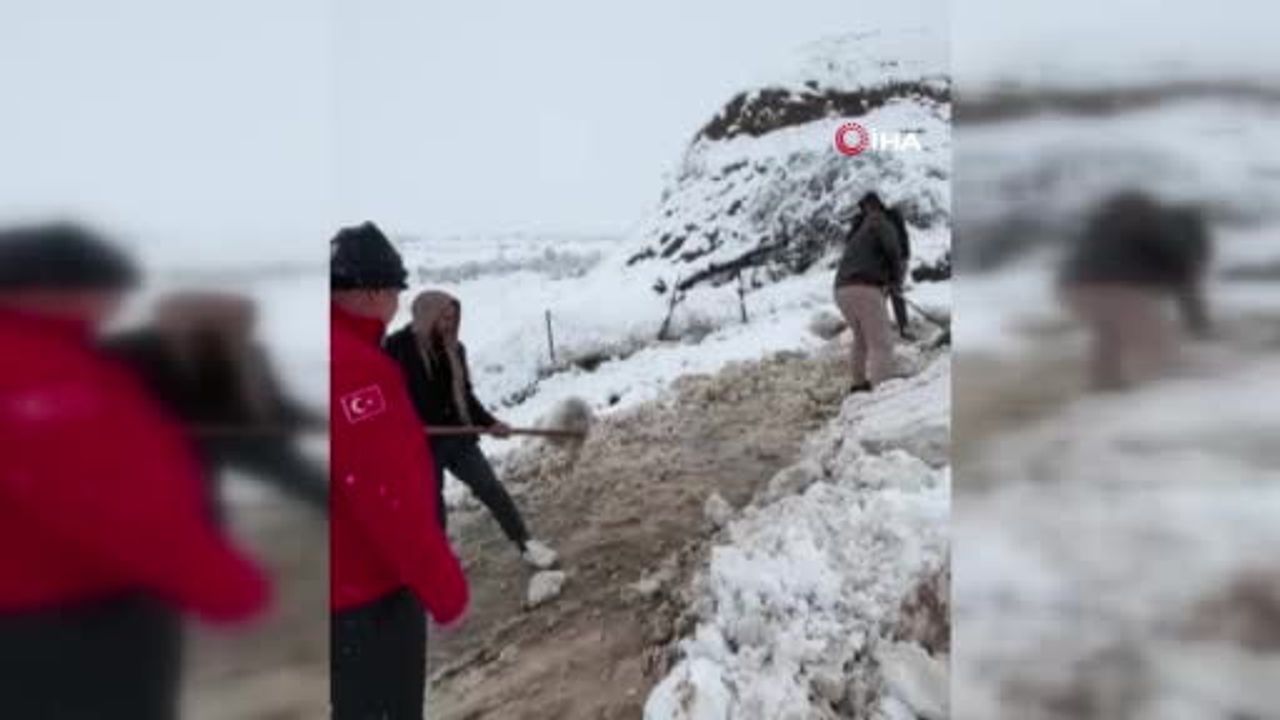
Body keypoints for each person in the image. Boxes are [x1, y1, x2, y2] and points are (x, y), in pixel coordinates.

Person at [0, 223, 269, 720]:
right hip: (74, 624)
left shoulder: (66, 361)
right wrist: (225, 585)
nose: (114, 305)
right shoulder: (46, 379)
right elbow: (111, 507)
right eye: (105, 290)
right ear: (53, 291)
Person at [330, 221, 469, 720]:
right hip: (370, 595)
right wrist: (443, 584)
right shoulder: (357, 370)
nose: (395, 303)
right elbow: (387, 497)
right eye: (393, 291)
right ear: (370, 292)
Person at [108, 292, 327, 516]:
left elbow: (274, 405)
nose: (245, 327)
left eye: (246, 321)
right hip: (175, 441)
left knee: (316, 486)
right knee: (196, 503)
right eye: (238, 320)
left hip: (246, 438)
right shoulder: (136, 349)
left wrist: (319, 420)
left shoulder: (251, 352)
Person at [385, 290, 559, 570]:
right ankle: (437, 564)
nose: (448, 325)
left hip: (457, 436)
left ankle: (525, 543)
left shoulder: (455, 348)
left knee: (491, 488)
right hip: (418, 445)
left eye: (453, 318)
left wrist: (490, 423)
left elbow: (464, 395)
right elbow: (379, 394)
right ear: (425, 316)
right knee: (432, 507)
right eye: (443, 318)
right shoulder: (395, 349)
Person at [1059, 190, 1213, 390]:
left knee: (1109, 334)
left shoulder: (1132, 221)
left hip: (1072, 287)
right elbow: (1185, 285)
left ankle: (1104, 386)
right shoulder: (1176, 239)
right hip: (1115, 285)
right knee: (1157, 342)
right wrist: (1200, 327)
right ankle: (1168, 391)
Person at [834, 191, 905, 393]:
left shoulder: (858, 232)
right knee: (881, 343)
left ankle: (859, 384)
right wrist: (896, 280)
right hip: (864, 287)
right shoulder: (881, 222)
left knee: (862, 338)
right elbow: (894, 251)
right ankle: (882, 394)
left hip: (841, 290)